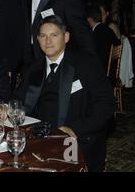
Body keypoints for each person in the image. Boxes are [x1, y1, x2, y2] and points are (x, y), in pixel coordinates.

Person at [16, 15, 115, 172]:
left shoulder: (86, 64)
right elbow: (19, 101)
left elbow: (106, 104)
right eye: (43, 36)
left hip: (75, 141)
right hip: (38, 140)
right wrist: (5, 108)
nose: (48, 41)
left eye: (54, 35)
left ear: (66, 37)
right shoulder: (33, 68)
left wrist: (75, 129)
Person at [87, 3, 119, 70]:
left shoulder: (95, 34)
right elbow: (118, 43)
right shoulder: (108, 30)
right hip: (110, 69)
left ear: (89, 20)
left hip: (101, 71)